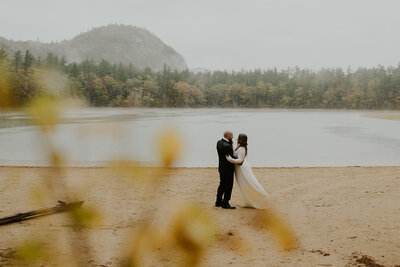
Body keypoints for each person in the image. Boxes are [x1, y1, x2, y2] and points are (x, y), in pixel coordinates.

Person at [226, 134, 270, 209]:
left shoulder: (242, 149)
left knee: (249, 184)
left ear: (241, 139)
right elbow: (235, 154)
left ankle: (264, 197)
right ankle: (249, 200)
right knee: (244, 185)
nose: (236, 139)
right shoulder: (239, 147)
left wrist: (230, 159)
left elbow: (240, 160)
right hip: (239, 169)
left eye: (238, 138)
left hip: (242, 169)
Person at [216, 131, 236, 209]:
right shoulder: (227, 146)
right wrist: (240, 160)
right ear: (228, 136)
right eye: (232, 136)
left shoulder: (219, 142)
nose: (233, 137)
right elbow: (230, 158)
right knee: (228, 186)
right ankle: (225, 203)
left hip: (221, 167)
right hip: (228, 169)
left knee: (222, 185)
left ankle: (218, 201)